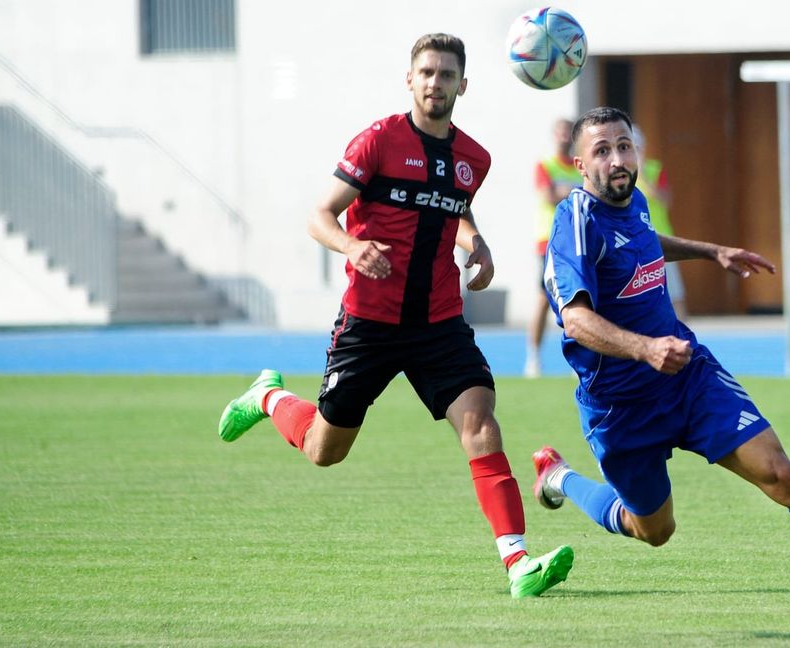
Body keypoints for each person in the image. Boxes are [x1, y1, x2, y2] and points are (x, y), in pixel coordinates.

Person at [533, 106, 790, 627]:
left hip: (687, 378)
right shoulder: (574, 223)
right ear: (580, 165)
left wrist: (710, 251)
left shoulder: (634, 201)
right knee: (652, 529)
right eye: (602, 151)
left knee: (781, 474)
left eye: (624, 146)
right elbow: (575, 321)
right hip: (619, 406)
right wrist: (645, 349)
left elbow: (643, 243)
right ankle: (560, 477)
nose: (617, 159)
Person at [214, 34, 573, 598]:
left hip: (439, 323)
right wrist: (351, 247)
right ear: (410, 80)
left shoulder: (473, 159)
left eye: (446, 74)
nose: (435, 82)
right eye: (426, 72)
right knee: (323, 451)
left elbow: (454, 207)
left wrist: (476, 244)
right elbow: (319, 215)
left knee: (481, 427)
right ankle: (268, 396)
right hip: (369, 324)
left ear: (462, 84)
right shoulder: (378, 141)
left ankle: (518, 564)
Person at [525, 118, 583, 378]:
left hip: (578, 242)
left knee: (580, 297)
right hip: (549, 241)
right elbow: (548, 196)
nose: (563, 137)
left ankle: (579, 358)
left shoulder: (580, 166)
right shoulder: (545, 165)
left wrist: (566, 190)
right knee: (544, 298)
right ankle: (534, 358)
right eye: (558, 131)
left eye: (567, 132)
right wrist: (575, 191)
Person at [633, 125, 687, 315]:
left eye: (638, 147)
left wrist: (643, 176)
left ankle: (685, 339)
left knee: (675, 294)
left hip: (661, 240)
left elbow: (665, 200)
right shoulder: (615, 173)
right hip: (633, 242)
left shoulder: (654, 169)